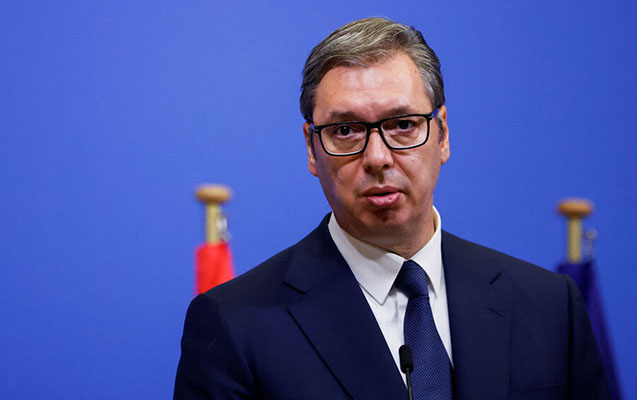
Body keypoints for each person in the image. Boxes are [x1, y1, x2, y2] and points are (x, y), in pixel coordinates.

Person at [174, 17, 610, 399]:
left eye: (402, 125)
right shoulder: (235, 324)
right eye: (346, 130)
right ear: (311, 148)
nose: (377, 157)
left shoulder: (550, 307)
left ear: (442, 135)